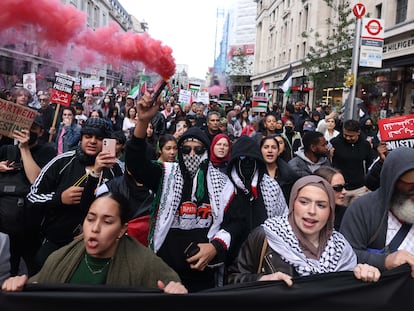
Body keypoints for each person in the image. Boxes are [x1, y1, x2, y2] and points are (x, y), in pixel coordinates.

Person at [125, 93, 234, 292]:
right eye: (186, 150)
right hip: (164, 273)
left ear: (207, 153)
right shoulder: (166, 174)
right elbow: (135, 163)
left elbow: (234, 222)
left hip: (203, 277)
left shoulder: (222, 184)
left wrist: (215, 247)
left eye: (198, 150)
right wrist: (142, 121)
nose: (192, 155)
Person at [2, 192, 188, 294]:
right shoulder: (60, 258)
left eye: (107, 222)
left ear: (122, 229)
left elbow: (173, 287)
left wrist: (175, 292)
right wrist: (20, 286)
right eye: (91, 219)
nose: (95, 228)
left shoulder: (146, 264)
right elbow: (37, 287)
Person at [227, 175, 381, 285]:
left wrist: (361, 275)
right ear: (293, 203)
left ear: (330, 211)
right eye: (304, 202)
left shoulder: (341, 249)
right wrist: (261, 280)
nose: (312, 211)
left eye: (321, 205)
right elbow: (233, 279)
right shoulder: (266, 236)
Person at [26, 117, 124, 273]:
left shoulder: (116, 169)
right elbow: (32, 197)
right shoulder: (62, 161)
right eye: (88, 136)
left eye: (99, 138)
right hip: (56, 242)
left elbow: (124, 207)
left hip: (99, 246)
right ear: (81, 138)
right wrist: (59, 198)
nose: (92, 141)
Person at [340, 147, 414, 277]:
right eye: (410, 185)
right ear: (392, 180)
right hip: (385, 292)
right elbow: (344, 255)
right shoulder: (363, 209)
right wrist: (384, 261)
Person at [221, 135, 288, 271]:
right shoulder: (223, 186)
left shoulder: (271, 186)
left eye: (251, 159)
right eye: (242, 158)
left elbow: (283, 219)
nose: (247, 163)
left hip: (262, 259)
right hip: (229, 259)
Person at [0, 116, 56, 276]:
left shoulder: (48, 151)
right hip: (5, 223)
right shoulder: (6, 150)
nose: (27, 131)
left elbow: (37, 180)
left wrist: (24, 148)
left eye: (33, 128)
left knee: (32, 269)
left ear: (40, 131)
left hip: (30, 224)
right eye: (24, 127)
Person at [330, 119, 373, 206]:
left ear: (358, 132)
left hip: (360, 188)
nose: (348, 138)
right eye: (345, 135)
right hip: (341, 188)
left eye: (351, 136)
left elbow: (370, 164)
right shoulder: (335, 143)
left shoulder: (365, 145)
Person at [260, 135, 300, 204]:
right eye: (266, 147)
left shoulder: (289, 174)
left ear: (278, 151)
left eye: (274, 147)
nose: (270, 151)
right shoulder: (255, 173)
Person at [313, 166, 348, 230]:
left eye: (344, 186)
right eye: (338, 188)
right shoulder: (309, 213)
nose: (344, 191)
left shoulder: (347, 214)